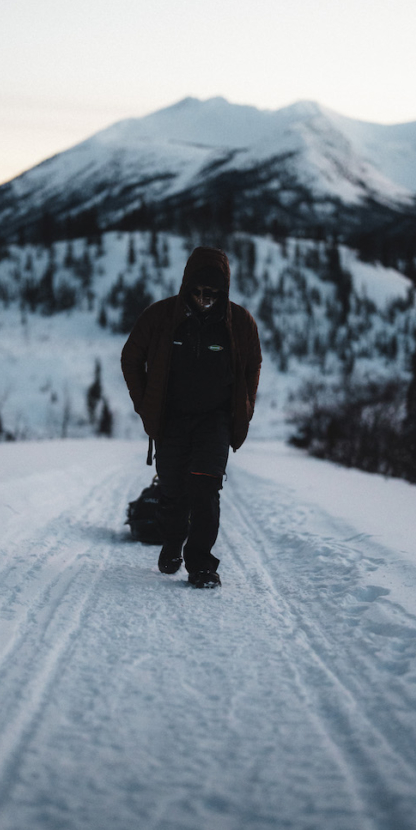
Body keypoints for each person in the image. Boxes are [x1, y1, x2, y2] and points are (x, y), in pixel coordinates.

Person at [121, 246, 262, 588]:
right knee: (172, 493)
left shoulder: (240, 322)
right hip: (171, 420)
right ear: (187, 286)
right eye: (197, 292)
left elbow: (251, 365)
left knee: (204, 488)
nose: (204, 299)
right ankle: (172, 542)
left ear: (223, 290)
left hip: (214, 421)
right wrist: (145, 403)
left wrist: (243, 407)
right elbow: (131, 358)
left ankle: (201, 564)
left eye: (212, 293)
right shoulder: (160, 316)